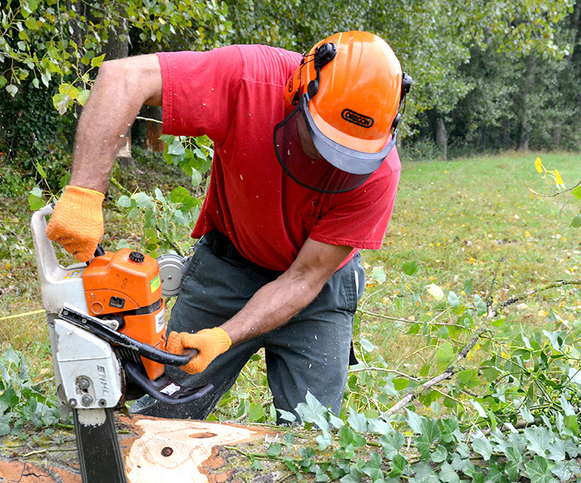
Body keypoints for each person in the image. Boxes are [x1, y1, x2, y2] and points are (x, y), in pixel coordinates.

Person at [45, 31, 412, 422]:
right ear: (300, 89)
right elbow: (124, 78)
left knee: (313, 442)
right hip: (227, 265)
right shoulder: (250, 80)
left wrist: (224, 336)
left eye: (350, 153)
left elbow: (303, 279)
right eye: (323, 139)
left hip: (317, 291)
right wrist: (84, 192)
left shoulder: (379, 174)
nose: (333, 161)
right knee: (159, 418)